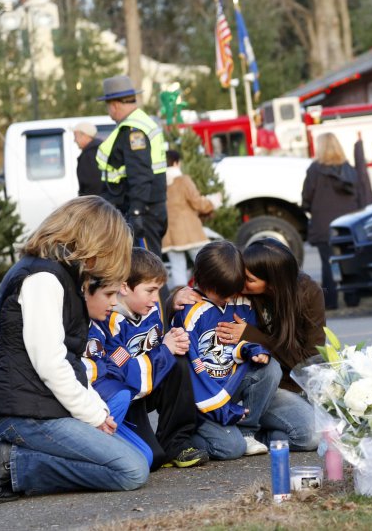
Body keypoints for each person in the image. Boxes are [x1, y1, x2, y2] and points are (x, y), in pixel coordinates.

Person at [0, 196, 149, 503]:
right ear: (94, 244)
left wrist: (95, 406)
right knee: (132, 470)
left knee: (139, 457)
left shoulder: (59, 277)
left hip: (44, 410)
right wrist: (92, 415)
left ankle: (21, 459)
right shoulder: (43, 279)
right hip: (26, 416)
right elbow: (50, 363)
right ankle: (14, 463)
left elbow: (71, 362)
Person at [172, 241, 282, 460]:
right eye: (222, 293)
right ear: (202, 281)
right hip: (203, 397)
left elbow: (241, 342)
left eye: (232, 291)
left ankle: (248, 431)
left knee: (271, 367)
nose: (229, 298)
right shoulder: (190, 310)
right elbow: (193, 368)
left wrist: (253, 350)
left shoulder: (242, 303)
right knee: (231, 449)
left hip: (230, 384)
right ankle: (184, 439)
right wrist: (219, 408)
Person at [101, 247, 207, 470]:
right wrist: (165, 350)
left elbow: (160, 346)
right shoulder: (109, 320)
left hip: (148, 381)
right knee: (153, 460)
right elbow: (125, 374)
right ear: (124, 287)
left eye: (158, 291)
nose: (154, 299)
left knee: (178, 363)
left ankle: (176, 442)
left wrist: (175, 339)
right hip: (127, 396)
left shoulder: (151, 307)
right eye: (149, 290)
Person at [217, 238, 322, 451]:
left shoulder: (308, 293)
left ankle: (264, 436)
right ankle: (245, 430)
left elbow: (309, 362)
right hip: (250, 383)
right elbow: (203, 291)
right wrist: (177, 297)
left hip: (289, 387)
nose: (241, 282)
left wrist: (253, 336)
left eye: (249, 279)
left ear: (273, 283)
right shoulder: (238, 291)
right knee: (310, 435)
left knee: (313, 436)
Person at [81, 278, 153, 468]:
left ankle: (101, 450)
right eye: (108, 295)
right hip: (81, 406)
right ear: (84, 290)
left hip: (102, 400)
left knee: (146, 457)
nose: (114, 302)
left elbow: (119, 361)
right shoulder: (66, 324)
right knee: (121, 395)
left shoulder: (99, 323)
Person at [95, 75, 168, 256]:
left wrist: (136, 212)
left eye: (107, 106)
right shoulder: (139, 123)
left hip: (143, 211)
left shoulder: (132, 130)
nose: (109, 111)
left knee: (148, 272)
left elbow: (140, 174)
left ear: (115, 105)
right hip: (149, 207)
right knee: (145, 270)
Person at [302, 133, 366, 310]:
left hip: (323, 225)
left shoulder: (315, 170)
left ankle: (330, 302)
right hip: (347, 225)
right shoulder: (349, 170)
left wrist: (310, 208)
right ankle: (352, 299)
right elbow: (359, 194)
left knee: (328, 264)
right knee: (349, 260)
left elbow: (306, 196)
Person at [162, 149, 216, 289]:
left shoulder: (159, 183)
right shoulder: (183, 180)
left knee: (177, 267)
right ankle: (213, 291)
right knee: (205, 262)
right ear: (176, 163)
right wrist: (212, 203)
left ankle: (181, 300)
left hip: (169, 234)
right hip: (189, 232)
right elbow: (197, 202)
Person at [73, 122, 103, 196]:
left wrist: (87, 203)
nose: (74, 140)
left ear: (84, 135)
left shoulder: (90, 154)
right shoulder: (97, 150)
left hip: (95, 202)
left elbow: (93, 184)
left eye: (76, 136)